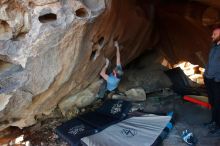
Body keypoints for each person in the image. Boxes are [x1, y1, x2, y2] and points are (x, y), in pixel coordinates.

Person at [203, 27, 220, 136]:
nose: (212, 36)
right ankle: (213, 121)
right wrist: (205, 74)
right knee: (213, 103)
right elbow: (210, 62)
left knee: (218, 104)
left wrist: (217, 78)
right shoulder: (214, 46)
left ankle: (218, 125)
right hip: (209, 79)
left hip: (217, 81)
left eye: (214, 34)